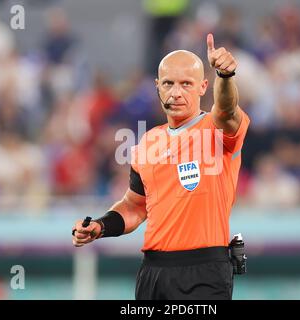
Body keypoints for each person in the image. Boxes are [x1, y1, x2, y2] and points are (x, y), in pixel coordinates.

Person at [72, 33, 250, 300]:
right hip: (153, 272)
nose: (176, 92)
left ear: (203, 87)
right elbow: (134, 206)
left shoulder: (215, 129)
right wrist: (100, 226)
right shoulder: (148, 142)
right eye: (168, 83)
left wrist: (225, 77)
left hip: (204, 272)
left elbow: (226, 109)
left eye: (186, 84)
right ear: (157, 86)